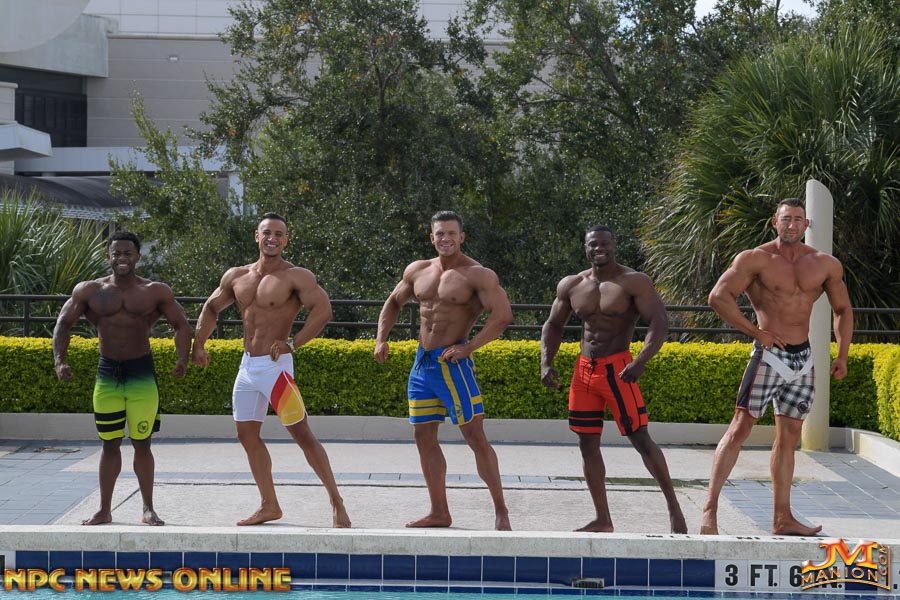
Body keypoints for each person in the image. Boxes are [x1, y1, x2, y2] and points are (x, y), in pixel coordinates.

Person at [701, 198, 853, 536]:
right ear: (775, 222)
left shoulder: (825, 264)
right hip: (768, 356)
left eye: (798, 219)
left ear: (806, 225)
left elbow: (843, 309)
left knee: (789, 438)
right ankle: (709, 511)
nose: (792, 225)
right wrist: (757, 332)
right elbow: (719, 296)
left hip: (803, 360)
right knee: (740, 428)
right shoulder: (755, 259)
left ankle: (782, 518)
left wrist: (842, 354)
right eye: (786, 219)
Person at [191, 213, 350, 528]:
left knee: (301, 434)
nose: (272, 238)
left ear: (286, 240)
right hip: (248, 367)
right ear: (257, 236)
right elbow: (211, 307)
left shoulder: (296, 276)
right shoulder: (237, 276)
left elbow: (323, 310)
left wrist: (294, 343)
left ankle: (336, 500)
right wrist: (199, 345)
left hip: (276, 368)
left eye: (279, 234)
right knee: (246, 435)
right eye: (267, 233)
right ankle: (269, 505)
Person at [540, 225, 687, 534]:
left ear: (614, 245)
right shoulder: (572, 284)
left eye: (604, 243)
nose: (599, 249)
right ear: (585, 247)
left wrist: (640, 361)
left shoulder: (633, 282)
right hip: (584, 371)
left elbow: (659, 321)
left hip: (618, 369)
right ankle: (603, 519)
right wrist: (546, 362)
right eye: (593, 244)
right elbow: (553, 324)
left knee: (640, 438)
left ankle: (675, 510)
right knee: (586, 443)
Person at [375, 210, 513, 530]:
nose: (445, 238)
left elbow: (503, 316)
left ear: (461, 237)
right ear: (432, 237)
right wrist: (381, 339)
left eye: (451, 233)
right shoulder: (417, 270)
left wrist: (469, 347)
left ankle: (501, 511)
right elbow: (393, 302)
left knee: (474, 436)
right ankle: (439, 512)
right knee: (423, 436)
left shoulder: (478, 275)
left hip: (453, 365)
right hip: (422, 365)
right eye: (440, 233)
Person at [53, 231, 191, 526]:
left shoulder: (154, 291)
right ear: (109, 256)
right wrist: (60, 360)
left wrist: (182, 358)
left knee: (143, 444)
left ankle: (148, 508)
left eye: (128, 253)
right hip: (107, 375)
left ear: (138, 256)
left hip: (141, 374)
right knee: (109, 444)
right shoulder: (90, 291)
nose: (122, 258)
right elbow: (64, 323)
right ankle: (105, 510)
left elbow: (181, 324)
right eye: (116, 253)